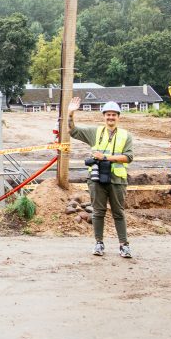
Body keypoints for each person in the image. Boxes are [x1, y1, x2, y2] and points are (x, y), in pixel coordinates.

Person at [68, 98, 134, 259]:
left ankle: (124, 245)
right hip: (96, 178)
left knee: (118, 212)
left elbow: (128, 157)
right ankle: (99, 243)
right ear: (103, 116)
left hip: (117, 179)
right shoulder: (95, 132)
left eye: (114, 115)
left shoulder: (126, 136)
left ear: (118, 117)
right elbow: (73, 131)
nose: (110, 117)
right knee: (98, 212)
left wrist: (105, 157)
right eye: (108, 115)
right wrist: (70, 113)